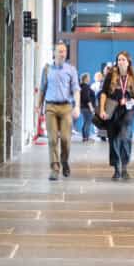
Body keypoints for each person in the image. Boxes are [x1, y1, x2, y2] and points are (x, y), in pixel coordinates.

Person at [39, 41, 81, 181]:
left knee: (65, 139)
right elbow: (42, 89)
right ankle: (55, 168)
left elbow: (76, 89)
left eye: (64, 51)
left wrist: (77, 106)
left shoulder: (71, 70)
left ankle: (64, 161)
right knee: (51, 139)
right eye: (60, 51)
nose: (63, 53)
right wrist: (38, 106)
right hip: (50, 107)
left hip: (66, 108)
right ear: (54, 53)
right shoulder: (46, 70)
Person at [100, 51, 134, 180]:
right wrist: (102, 109)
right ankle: (117, 168)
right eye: (119, 60)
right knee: (113, 139)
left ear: (128, 62)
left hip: (129, 111)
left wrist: (132, 101)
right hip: (112, 110)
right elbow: (103, 93)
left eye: (123, 60)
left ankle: (124, 166)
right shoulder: (110, 76)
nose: (120, 62)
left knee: (125, 136)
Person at [79, 73, 97, 142]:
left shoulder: (82, 86)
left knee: (86, 122)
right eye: (88, 77)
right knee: (88, 122)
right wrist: (91, 107)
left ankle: (85, 137)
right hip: (87, 107)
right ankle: (86, 137)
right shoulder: (85, 87)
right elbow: (87, 98)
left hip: (83, 107)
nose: (90, 78)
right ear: (86, 79)